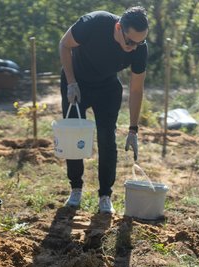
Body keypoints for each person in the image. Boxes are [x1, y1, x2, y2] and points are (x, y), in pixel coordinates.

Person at [59, 7, 149, 213]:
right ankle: (75, 188)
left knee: (107, 139)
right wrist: (71, 83)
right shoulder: (94, 23)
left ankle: (105, 195)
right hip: (76, 82)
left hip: (107, 88)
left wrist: (134, 129)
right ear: (119, 28)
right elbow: (64, 45)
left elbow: (136, 89)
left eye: (140, 42)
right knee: (73, 136)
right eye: (130, 42)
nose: (135, 47)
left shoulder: (140, 49)